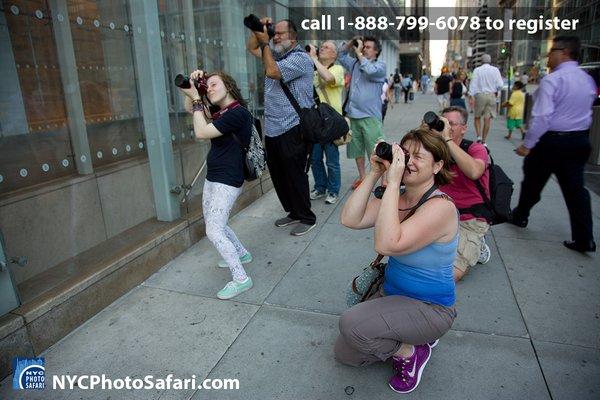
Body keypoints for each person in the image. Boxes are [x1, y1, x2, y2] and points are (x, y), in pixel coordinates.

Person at [335, 128, 458, 394]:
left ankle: (411, 351)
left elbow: (387, 244)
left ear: (437, 165)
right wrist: (375, 173)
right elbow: (350, 219)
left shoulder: (442, 208)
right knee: (346, 354)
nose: (409, 162)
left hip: (429, 307)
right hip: (391, 294)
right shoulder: (399, 198)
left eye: (418, 157)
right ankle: (406, 336)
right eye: (405, 154)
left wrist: (392, 185)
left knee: (351, 324)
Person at [511, 36, 597, 253]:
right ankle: (584, 238)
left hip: (551, 141)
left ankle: (521, 215)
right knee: (576, 190)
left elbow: (542, 117)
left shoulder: (553, 80)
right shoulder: (586, 79)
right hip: (579, 140)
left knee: (532, 180)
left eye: (552, 51)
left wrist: (527, 144)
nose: (548, 55)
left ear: (565, 52)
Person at [179, 70, 254, 300]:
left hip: (229, 179)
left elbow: (201, 132)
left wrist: (196, 97)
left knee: (213, 229)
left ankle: (241, 278)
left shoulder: (238, 113)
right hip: (214, 176)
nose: (209, 89)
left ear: (228, 87)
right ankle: (241, 253)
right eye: (207, 86)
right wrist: (192, 89)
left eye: (214, 84)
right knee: (214, 222)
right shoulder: (221, 111)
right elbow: (190, 110)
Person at [246, 18, 317, 236]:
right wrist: (257, 31)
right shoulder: (275, 56)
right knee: (279, 174)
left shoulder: (300, 59)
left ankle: (307, 217)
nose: (276, 37)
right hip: (273, 128)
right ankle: (294, 212)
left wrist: (266, 43)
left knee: (295, 174)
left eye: (280, 33)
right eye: (273, 33)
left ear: (294, 36)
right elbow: (251, 47)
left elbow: (273, 72)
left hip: (293, 127)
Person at [438, 107, 491, 281]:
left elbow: (474, 171)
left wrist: (447, 140)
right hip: (439, 214)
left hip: (469, 218)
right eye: (443, 123)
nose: (447, 127)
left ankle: (477, 244)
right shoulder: (434, 149)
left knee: (451, 274)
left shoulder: (476, 149)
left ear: (464, 128)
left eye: (451, 123)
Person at [338, 36, 387, 190]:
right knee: (357, 150)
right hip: (353, 115)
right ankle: (362, 177)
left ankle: (384, 181)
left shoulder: (380, 65)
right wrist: (351, 43)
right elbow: (341, 55)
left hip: (370, 116)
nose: (364, 49)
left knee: (377, 150)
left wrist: (359, 53)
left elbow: (369, 70)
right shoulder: (354, 63)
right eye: (363, 46)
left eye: (368, 47)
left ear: (376, 51)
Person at [307, 41, 344, 205]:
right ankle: (320, 187)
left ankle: (333, 190)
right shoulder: (313, 70)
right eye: (321, 46)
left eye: (327, 47)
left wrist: (314, 58)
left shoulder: (337, 69)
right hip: (315, 122)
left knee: (331, 161)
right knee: (315, 159)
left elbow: (328, 78)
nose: (322, 48)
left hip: (330, 123)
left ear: (334, 54)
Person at [469, 54, 503, 144]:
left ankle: (478, 136)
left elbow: (473, 84)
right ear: (490, 61)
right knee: (487, 119)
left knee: (477, 117)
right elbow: (500, 85)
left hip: (480, 95)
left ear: (481, 61)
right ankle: (484, 140)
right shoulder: (495, 70)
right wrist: (495, 90)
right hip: (491, 95)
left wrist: (471, 96)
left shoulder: (477, 70)